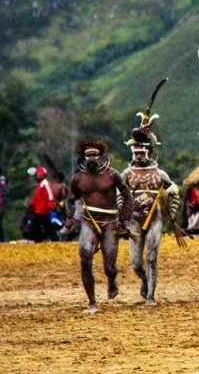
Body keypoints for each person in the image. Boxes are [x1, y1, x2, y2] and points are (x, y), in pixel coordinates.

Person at [120, 89, 181, 306]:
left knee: (152, 258)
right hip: (135, 221)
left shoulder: (159, 174)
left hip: (154, 220)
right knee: (136, 263)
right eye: (135, 152)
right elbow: (120, 199)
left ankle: (152, 296)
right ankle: (144, 280)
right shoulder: (126, 175)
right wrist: (123, 220)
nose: (138, 155)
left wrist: (172, 214)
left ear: (149, 151)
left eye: (142, 151)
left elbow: (174, 193)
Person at [65, 141, 133, 314]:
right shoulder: (78, 179)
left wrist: (125, 221)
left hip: (110, 223)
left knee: (109, 267)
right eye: (88, 155)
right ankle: (92, 302)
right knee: (85, 257)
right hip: (89, 222)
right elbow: (70, 199)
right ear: (84, 157)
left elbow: (127, 196)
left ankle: (112, 280)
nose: (92, 158)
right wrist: (70, 218)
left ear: (101, 156)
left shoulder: (112, 175)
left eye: (95, 155)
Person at [27, 166, 58, 242]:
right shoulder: (39, 185)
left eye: (37, 174)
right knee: (39, 227)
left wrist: (50, 205)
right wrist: (31, 204)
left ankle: (54, 240)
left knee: (45, 227)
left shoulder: (45, 184)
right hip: (38, 211)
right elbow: (36, 198)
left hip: (43, 210)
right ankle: (40, 240)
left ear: (42, 175)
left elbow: (50, 195)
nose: (36, 175)